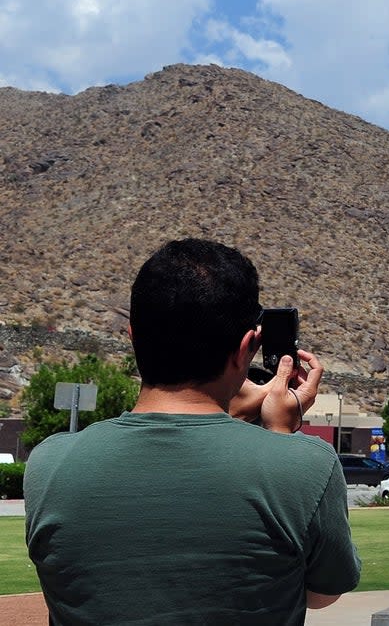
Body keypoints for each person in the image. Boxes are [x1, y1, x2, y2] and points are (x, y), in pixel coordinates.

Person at [23, 238, 361, 623]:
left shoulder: (48, 465)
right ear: (248, 345)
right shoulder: (305, 466)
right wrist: (278, 434)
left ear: (133, 336)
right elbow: (321, 595)